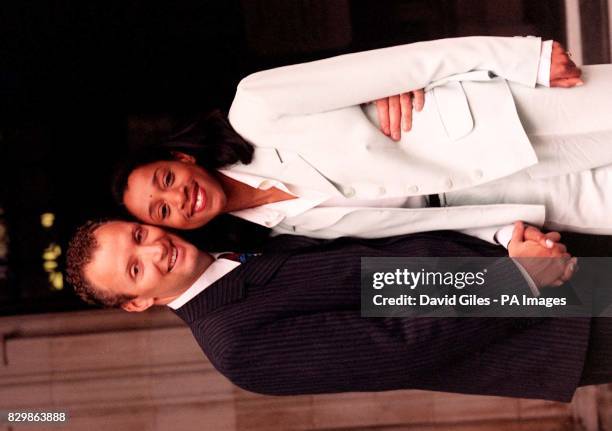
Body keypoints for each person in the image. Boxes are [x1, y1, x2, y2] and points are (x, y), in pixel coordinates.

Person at [113, 36, 612, 245]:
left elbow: (400, 65)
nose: (177, 198)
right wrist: (502, 233)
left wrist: (522, 58)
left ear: (180, 157)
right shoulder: (279, 234)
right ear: (178, 225)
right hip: (510, 199)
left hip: (508, 118)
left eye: (165, 180)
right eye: (162, 211)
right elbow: (411, 230)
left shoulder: (256, 106)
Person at [65, 219, 612, 403]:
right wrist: (515, 280)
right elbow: (402, 343)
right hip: (552, 325)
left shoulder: (237, 246)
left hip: (529, 263)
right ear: (138, 302)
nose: (155, 250)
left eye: (138, 235)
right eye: (136, 269)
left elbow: (387, 257)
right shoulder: (236, 345)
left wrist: (503, 244)